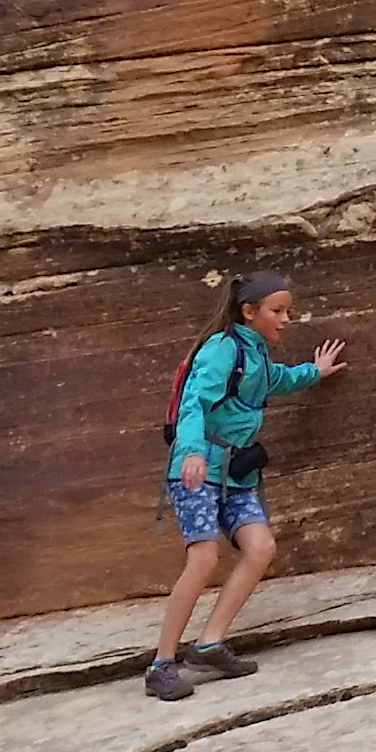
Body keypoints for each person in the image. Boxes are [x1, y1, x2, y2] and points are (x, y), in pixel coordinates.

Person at [148, 271, 342, 703]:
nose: (286, 319)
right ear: (248, 312)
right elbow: (195, 402)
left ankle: (208, 645)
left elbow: (278, 380)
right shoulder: (222, 350)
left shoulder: (253, 355)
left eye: (288, 311)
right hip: (195, 470)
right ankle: (161, 664)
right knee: (203, 557)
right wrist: (193, 452)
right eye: (278, 311)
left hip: (236, 474)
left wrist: (316, 372)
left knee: (261, 547)